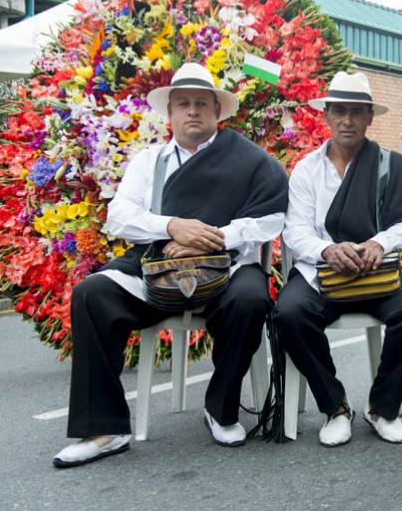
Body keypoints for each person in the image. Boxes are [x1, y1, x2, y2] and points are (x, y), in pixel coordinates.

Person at [53, 63, 288, 468]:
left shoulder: (250, 160)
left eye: (201, 103)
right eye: (183, 104)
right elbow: (119, 216)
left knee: (251, 298)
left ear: (217, 111)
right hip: (157, 267)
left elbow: (271, 219)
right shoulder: (149, 161)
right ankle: (105, 429)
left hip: (226, 268)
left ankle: (222, 409)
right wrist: (172, 227)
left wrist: (211, 239)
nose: (192, 111)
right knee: (91, 294)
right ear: (170, 113)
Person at [274, 71, 402, 446]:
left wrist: (379, 243)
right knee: (289, 314)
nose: (348, 120)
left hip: (378, 272)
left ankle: (382, 406)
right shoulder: (306, 170)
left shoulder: (387, 165)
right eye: (340, 111)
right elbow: (295, 231)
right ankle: (335, 407)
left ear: (369, 117)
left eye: (357, 112)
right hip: (323, 273)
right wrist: (327, 250)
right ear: (327, 115)